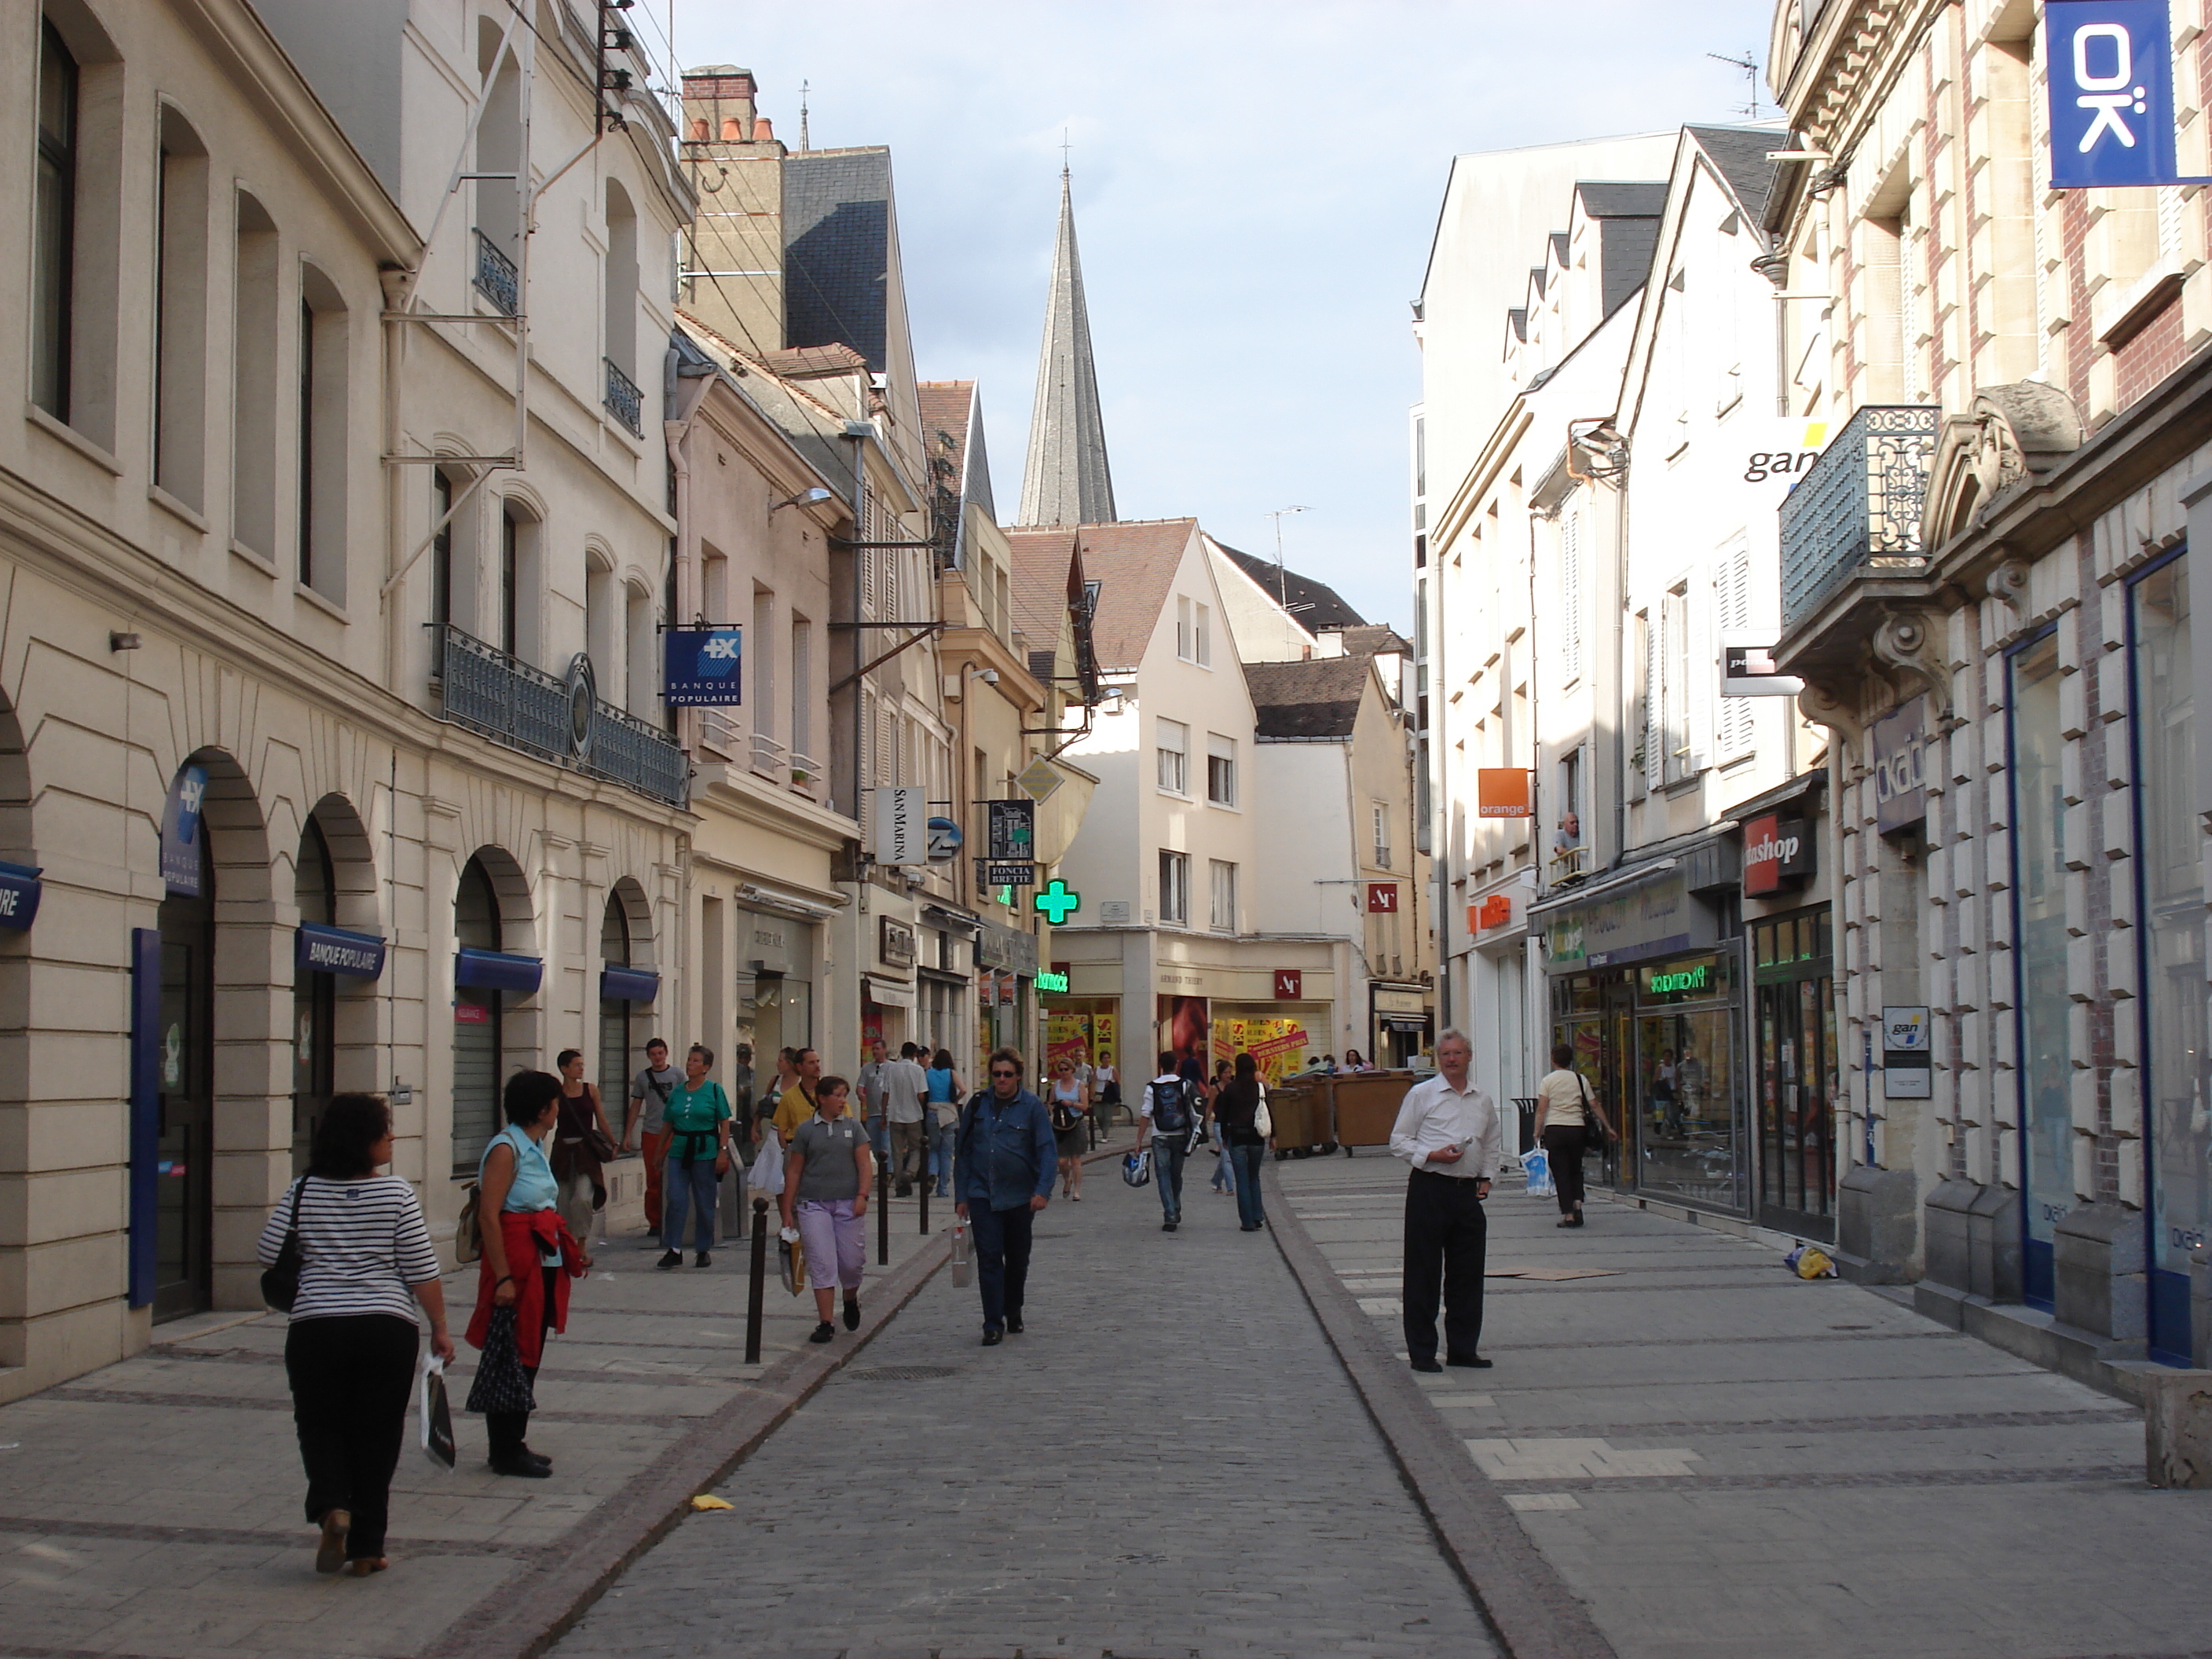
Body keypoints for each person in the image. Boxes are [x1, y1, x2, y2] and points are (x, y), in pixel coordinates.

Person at [259, 1093, 452, 1576]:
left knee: (319, 1421)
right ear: (361, 1139)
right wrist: (440, 1330)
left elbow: (268, 1251)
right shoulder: (396, 1194)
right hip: (386, 1328)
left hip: (316, 1326)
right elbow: (422, 1270)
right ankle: (368, 1548)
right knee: (378, 1433)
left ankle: (330, 1505)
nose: (391, 1137)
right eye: (383, 1130)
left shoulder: (303, 1190)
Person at [468, 1071, 591, 1477]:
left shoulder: (534, 1144)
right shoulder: (507, 1149)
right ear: (543, 1110)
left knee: (531, 1351)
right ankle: (503, 1448)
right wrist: (502, 1276)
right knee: (513, 1352)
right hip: (517, 1260)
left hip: (543, 1256)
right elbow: (489, 1214)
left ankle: (514, 1441)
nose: (559, 1110)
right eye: (555, 1104)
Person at [1389, 1029, 1500, 1373]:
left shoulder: (1482, 1099)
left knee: (1467, 1275)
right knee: (1423, 1273)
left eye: (1457, 1053)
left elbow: (1492, 1141)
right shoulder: (1422, 1094)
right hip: (1430, 1189)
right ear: (1439, 1059)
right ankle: (1422, 1352)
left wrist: (1486, 1177)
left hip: (1466, 1193)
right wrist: (1431, 1154)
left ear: (1469, 1057)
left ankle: (1463, 1349)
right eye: (1445, 1055)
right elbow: (1398, 1140)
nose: (1451, 1060)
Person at [954, 1048, 1057, 1345]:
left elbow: (1047, 1151)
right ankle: (992, 1322)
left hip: (1019, 1197)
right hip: (982, 1193)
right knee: (988, 1257)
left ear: (1018, 1076)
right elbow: (963, 1153)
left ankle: (1013, 1308)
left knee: (1017, 1258)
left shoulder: (1032, 1107)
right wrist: (961, 1195)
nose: (1001, 1079)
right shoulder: (977, 1105)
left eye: (1007, 1074)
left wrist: (1042, 1190)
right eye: (996, 1074)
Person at [781, 1074, 873, 1343]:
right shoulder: (807, 1131)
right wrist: (788, 1210)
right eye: (838, 1095)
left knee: (851, 1263)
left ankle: (850, 1298)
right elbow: (795, 1170)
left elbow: (865, 1165)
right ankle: (825, 1321)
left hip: (848, 1204)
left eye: (845, 1095)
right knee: (822, 1262)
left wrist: (862, 1195)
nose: (843, 1101)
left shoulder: (855, 1129)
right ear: (822, 1099)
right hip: (813, 1204)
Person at [657, 1044, 733, 1269]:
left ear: (706, 1067)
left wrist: (723, 1150)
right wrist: (659, 1151)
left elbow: (724, 1122)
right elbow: (668, 1122)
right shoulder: (679, 1092)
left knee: (704, 1201)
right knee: (676, 1198)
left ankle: (703, 1248)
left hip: (705, 1151)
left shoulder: (714, 1090)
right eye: (689, 1060)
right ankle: (674, 1248)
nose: (690, 1064)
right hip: (680, 1150)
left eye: (696, 1061)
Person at [1533, 1042, 1617, 1229]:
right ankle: (1578, 1203)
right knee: (1575, 1168)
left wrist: (1537, 1132)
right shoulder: (1580, 1079)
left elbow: (1541, 1109)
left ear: (1553, 1059)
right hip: (1576, 1129)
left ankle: (1568, 1214)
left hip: (1555, 1129)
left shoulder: (1548, 1081)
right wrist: (1608, 1126)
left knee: (1560, 1172)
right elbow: (1594, 1104)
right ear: (1571, 1061)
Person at [550, 1049, 615, 1244]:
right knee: (562, 1201)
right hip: (563, 1151)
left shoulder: (590, 1090)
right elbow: (548, 1122)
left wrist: (613, 1142)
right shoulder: (556, 1095)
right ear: (564, 1069)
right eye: (577, 1065)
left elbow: (601, 1120)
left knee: (583, 1198)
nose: (581, 1068)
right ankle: (566, 1243)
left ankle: (581, 1243)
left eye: (582, 1064)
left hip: (585, 1152)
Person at [1136, 1051, 1199, 1231]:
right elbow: (1194, 1109)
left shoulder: (1152, 1087)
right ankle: (1176, 1205)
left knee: (1163, 1175)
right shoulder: (1184, 1084)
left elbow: (1145, 1114)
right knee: (1176, 1174)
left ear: (1160, 1065)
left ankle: (1170, 1213)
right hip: (1180, 1134)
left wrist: (1139, 1140)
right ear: (1177, 1064)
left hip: (1159, 1135)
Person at [624, 1038, 681, 1235]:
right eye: (653, 1054)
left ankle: (676, 1218)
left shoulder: (677, 1075)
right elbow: (636, 1106)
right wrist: (627, 1134)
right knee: (654, 1178)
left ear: (666, 1053)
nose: (657, 1058)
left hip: (675, 1132)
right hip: (651, 1132)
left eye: (660, 1053)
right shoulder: (642, 1078)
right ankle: (655, 1222)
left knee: (675, 1176)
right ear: (648, 1056)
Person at [1214, 1053, 1273, 1231]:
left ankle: (1247, 1221)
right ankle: (1257, 1216)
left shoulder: (1231, 1089)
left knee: (1242, 1180)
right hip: (1256, 1137)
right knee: (1254, 1177)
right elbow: (1268, 1112)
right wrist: (1274, 1136)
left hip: (1237, 1137)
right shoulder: (1259, 1088)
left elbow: (1223, 1116)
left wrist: (1224, 1137)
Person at [884, 1042, 931, 1197]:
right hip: (913, 1116)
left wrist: (884, 1114)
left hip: (895, 1115)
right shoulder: (918, 1070)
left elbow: (886, 1093)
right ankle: (909, 1174)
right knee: (916, 1148)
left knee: (897, 1152)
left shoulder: (891, 1069)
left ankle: (899, 1184)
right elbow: (921, 1094)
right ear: (914, 1055)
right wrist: (920, 1106)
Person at [1048, 1055, 1090, 1200]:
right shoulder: (1056, 1085)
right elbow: (1050, 1103)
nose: (1064, 1072)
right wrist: (1054, 1111)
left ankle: (1077, 1191)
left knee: (1076, 1158)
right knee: (1062, 1161)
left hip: (1076, 1122)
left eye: (1066, 1069)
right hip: (1060, 1125)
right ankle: (1067, 1179)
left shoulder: (1079, 1085)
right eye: (1061, 1070)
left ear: (1072, 1070)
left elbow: (1085, 1106)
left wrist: (1071, 1104)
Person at [925, 1047, 963, 1198]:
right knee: (946, 1153)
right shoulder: (951, 1073)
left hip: (932, 1111)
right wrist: (955, 1101)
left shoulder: (928, 1073)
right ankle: (943, 1188)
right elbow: (964, 1089)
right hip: (948, 1113)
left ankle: (932, 1173)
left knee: (933, 1148)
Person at [772, 1046, 823, 1148]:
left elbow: (847, 1121)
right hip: (798, 1148)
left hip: (824, 1149)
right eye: (811, 1063)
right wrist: (788, 1152)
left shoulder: (829, 1091)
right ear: (799, 1067)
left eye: (818, 1062)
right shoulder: (789, 1096)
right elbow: (781, 1129)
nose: (817, 1066)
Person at [857, 1038, 892, 1166]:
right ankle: (883, 1168)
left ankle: (889, 1171)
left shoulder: (892, 1067)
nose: (875, 1051)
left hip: (888, 1113)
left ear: (884, 1049)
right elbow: (860, 1086)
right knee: (875, 1145)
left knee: (886, 1144)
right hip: (872, 1113)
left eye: (878, 1048)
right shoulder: (867, 1068)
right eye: (873, 1049)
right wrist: (861, 1094)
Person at [1208, 1059, 1236, 1196]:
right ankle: (1230, 1187)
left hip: (1232, 1124)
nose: (1228, 1075)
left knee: (1226, 1157)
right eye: (1225, 1072)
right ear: (1220, 1074)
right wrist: (1202, 1125)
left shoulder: (1233, 1086)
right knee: (1226, 1155)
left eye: (1230, 1072)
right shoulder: (1215, 1088)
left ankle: (1216, 1181)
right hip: (1219, 1124)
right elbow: (1209, 1107)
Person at [1093, 1049, 1120, 1130]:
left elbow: (1118, 1082)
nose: (1107, 1060)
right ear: (1101, 1060)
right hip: (1099, 1093)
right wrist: (1092, 1095)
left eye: (1108, 1058)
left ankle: (1105, 1135)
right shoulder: (1097, 1069)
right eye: (1105, 1058)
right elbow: (1093, 1082)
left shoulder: (1112, 1069)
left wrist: (1111, 1083)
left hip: (1109, 1095)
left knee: (1107, 1117)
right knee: (1099, 1115)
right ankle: (1103, 1128)